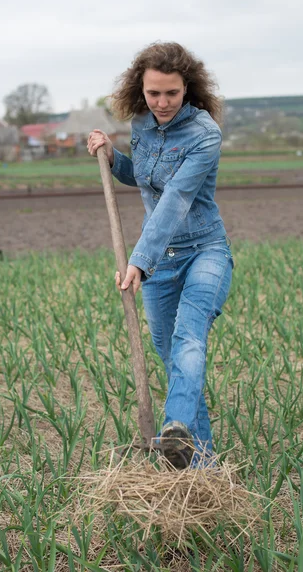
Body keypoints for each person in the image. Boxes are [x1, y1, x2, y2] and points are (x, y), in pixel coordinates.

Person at [87, 42, 233, 468]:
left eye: (171, 93)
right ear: (141, 90)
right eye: (154, 93)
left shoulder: (204, 134)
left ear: (187, 88)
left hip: (204, 250)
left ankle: (173, 430)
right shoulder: (143, 126)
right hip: (160, 261)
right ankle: (201, 465)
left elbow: (176, 198)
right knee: (169, 353)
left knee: (190, 337)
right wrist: (114, 158)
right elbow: (147, 177)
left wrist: (138, 259)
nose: (163, 102)